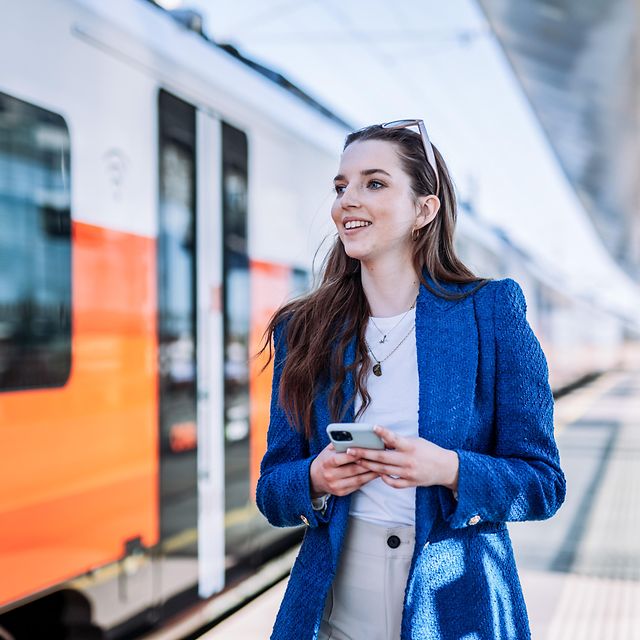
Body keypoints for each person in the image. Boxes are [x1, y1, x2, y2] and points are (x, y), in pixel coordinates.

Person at [255, 119, 566, 640]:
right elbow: (272, 490)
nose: (347, 200)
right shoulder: (302, 328)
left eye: (374, 183)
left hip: (455, 605)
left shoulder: (490, 312)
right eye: (341, 186)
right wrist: (316, 479)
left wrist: (448, 468)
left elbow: (543, 484)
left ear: (424, 209)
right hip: (332, 604)